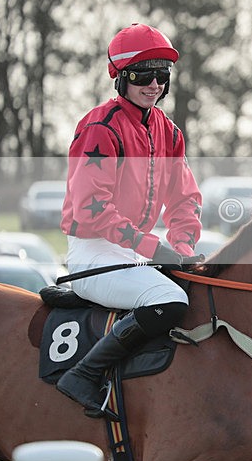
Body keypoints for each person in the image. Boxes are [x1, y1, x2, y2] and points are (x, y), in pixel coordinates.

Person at [57, 23, 203, 419]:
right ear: (120, 77)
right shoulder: (99, 127)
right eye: (142, 75)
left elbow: (185, 199)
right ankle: (84, 375)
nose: (154, 85)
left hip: (134, 251)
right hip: (93, 250)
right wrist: (155, 247)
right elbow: (91, 208)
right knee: (171, 300)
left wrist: (184, 249)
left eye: (162, 75)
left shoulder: (169, 132)